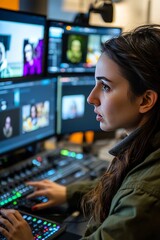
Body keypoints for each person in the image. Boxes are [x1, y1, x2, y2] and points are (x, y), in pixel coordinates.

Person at [1, 24, 160, 239]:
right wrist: (69, 193)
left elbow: (135, 191)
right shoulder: (146, 146)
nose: (91, 98)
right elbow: (122, 186)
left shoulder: (146, 193)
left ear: (146, 100)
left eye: (105, 87)